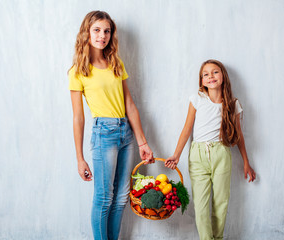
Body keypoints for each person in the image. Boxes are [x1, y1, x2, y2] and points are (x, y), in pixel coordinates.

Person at [68, 11, 154, 240]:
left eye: (107, 31)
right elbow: (78, 117)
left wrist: (142, 141)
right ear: (87, 32)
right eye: (96, 30)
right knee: (104, 198)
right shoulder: (78, 71)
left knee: (122, 196)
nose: (102, 35)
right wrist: (79, 158)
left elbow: (130, 105)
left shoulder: (116, 63)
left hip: (126, 133)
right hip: (103, 133)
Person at [165, 59, 256, 240]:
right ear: (202, 81)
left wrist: (246, 162)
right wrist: (176, 155)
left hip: (221, 154)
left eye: (215, 72)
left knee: (221, 202)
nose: (210, 76)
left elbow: (239, 136)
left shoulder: (232, 104)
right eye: (205, 74)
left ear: (223, 76)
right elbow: (187, 129)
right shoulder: (197, 99)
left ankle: (218, 237)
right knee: (200, 205)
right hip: (198, 155)